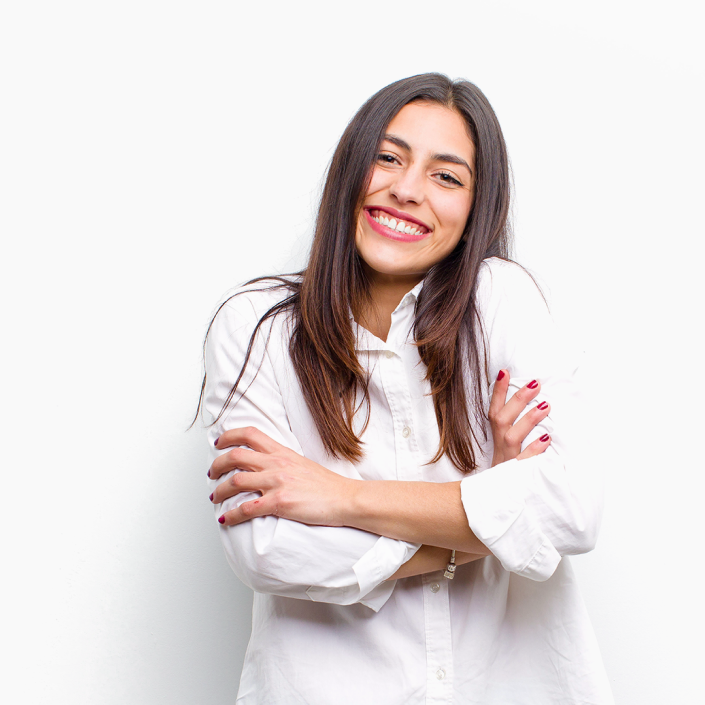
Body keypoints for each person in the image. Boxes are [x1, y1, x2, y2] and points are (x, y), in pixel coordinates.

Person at [198, 73, 613, 704]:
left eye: (446, 176)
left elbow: (571, 509)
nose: (408, 189)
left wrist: (341, 497)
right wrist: (489, 519)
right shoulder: (255, 327)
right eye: (388, 158)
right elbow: (267, 549)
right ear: (349, 169)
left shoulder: (503, 298)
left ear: (477, 207)